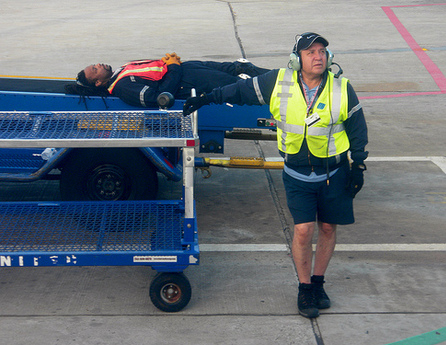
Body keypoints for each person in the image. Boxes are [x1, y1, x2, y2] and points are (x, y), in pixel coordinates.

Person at [183, 32, 368, 318]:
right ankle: (305, 288)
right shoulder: (277, 81)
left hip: (334, 172)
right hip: (297, 173)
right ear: (297, 59)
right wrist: (207, 99)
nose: (318, 56)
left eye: (322, 51)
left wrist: (358, 165)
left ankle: (319, 283)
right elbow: (239, 91)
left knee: (329, 228)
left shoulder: (342, 88)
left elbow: (357, 127)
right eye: (311, 52)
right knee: (304, 230)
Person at [65, 53, 270, 108]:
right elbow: (161, 97)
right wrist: (172, 66)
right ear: (98, 83)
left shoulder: (120, 72)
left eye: (96, 64)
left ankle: (291, 76)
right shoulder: (123, 88)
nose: (99, 65)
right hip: (190, 80)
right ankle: (285, 88)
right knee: (241, 81)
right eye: (95, 69)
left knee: (242, 67)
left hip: (189, 68)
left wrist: (170, 62)